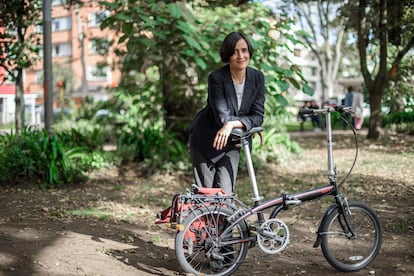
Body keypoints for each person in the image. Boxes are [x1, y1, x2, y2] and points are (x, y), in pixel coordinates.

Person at [188, 31, 265, 195]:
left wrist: (232, 124)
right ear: (228, 54)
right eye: (235, 51)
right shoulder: (216, 78)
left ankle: (221, 221)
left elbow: (258, 116)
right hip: (206, 140)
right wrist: (243, 122)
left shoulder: (257, 77)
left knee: (225, 196)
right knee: (207, 197)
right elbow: (222, 116)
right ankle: (201, 221)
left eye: (244, 50)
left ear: (249, 52)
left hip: (233, 141)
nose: (240, 55)